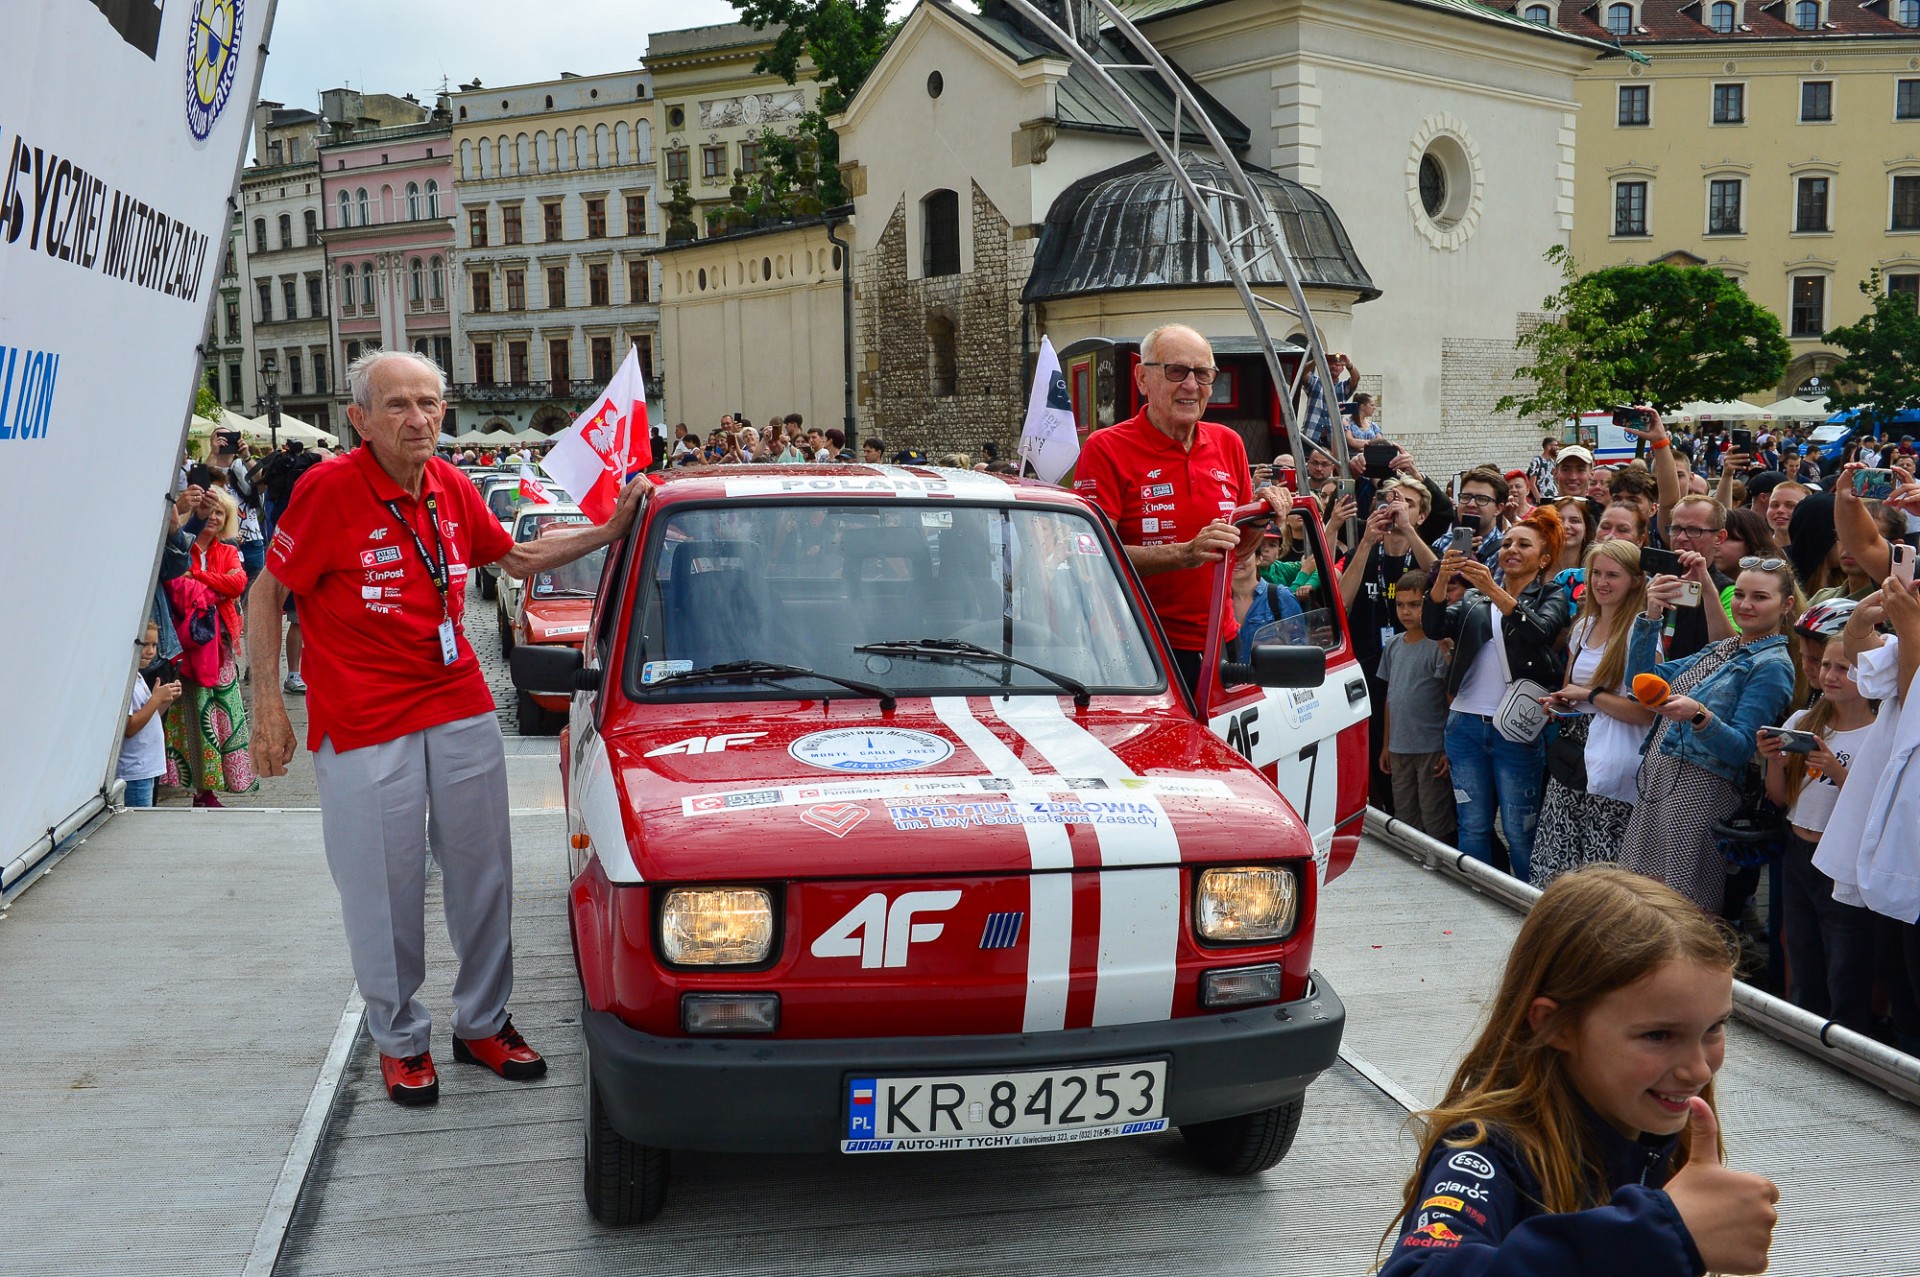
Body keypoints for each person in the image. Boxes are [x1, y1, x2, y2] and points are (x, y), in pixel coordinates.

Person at [247, 350, 646, 1108]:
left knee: (483, 873)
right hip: (364, 719)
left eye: (429, 403)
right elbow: (267, 596)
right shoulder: (328, 490)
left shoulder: (451, 483)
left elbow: (518, 554)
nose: (418, 418)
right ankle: (400, 1038)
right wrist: (267, 706)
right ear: (358, 419)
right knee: (384, 887)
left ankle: (483, 1023)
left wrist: (610, 528)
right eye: (397, 404)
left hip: (457, 699)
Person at [1380, 868, 1778, 1276]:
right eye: (1659, 1035)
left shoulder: (1656, 1132)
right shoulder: (1486, 1153)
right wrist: (1660, 1235)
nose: (1698, 1068)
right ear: (1558, 1026)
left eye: (1714, 1027)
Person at [1073, 324, 1289, 695]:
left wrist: (1264, 516)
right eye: (1176, 371)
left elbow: (1237, 551)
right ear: (1143, 378)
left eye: (1203, 374)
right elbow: (1088, 554)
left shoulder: (1228, 442)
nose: (1191, 385)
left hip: (1220, 641)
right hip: (1138, 649)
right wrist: (1183, 553)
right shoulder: (1106, 447)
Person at [1619, 558, 1800, 915]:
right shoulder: (1725, 648)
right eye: (1742, 595)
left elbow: (1742, 749)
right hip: (1660, 781)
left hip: (1701, 792)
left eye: (1760, 597)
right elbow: (1641, 680)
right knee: (1640, 898)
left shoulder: (1773, 666)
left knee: (1683, 907)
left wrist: (1700, 715)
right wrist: (1651, 617)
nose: (1746, 605)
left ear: (1786, 605)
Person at [1425, 505, 1572, 882]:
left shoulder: (1551, 594)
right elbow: (1434, 624)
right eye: (1507, 543)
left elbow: (1539, 631)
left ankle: (1527, 905)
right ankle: (1478, 896)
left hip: (1517, 728)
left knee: (1520, 829)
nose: (1511, 549)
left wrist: (1492, 587)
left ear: (1543, 559)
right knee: (1471, 824)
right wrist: (1442, 579)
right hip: (1465, 725)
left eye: (1524, 544)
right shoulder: (1474, 600)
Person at [1759, 643, 1877, 1034]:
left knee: (1845, 962)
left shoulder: (1878, 734)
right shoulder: (1803, 720)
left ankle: (1849, 1046)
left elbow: (1874, 811)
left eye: (1844, 668)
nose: (1829, 675)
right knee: (1802, 952)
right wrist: (1775, 761)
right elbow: (1780, 798)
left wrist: (1838, 772)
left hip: (1841, 856)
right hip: (1797, 850)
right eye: (1826, 664)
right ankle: (1804, 1040)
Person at [1534, 541, 1655, 887]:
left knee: (1601, 870)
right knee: (1559, 860)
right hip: (1572, 757)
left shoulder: (1641, 633)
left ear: (1634, 580)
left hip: (1613, 761)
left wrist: (1589, 695)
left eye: (1613, 575)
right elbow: (1572, 688)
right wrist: (1560, 702)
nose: (1602, 582)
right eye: (1597, 573)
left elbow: (1646, 713)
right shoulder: (1584, 626)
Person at [1341, 478, 1439, 810]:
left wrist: (1409, 532)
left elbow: (1443, 579)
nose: (1398, 509)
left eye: (1408, 504)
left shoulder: (1426, 553)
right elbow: (1341, 600)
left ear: (1422, 515)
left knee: (1413, 771)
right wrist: (1367, 541)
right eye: (1392, 501)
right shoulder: (1364, 552)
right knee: (1374, 763)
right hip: (1370, 673)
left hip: (1415, 679)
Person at [163, 488, 256, 807]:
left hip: (221, 646)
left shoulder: (227, 550)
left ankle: (211, 788)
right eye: (210, 511)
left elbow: (238, 584)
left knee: (221, 715)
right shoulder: (181, 548)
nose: (214, 517)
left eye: (220, 513)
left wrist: (199, 577)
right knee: (190, 714)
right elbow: (175, 587)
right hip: (186, 643)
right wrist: (214, 587)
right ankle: (193, 787)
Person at [1377, 570, 1454, 843]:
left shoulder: (1437, 645)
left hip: (1431, 748)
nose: (1406, 612)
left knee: (1435, 818)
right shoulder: (1394, 645)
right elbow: (1390, 699)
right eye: (1400, 605)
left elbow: (1449, 700)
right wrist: (1387, 744)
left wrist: (1448, 747)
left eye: (1414, 604)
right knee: (1405, 817)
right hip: (1399, 749)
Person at [119, 622, 181, 808]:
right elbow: (129, 728)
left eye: (154, 645)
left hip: (147, 768)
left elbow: (149, 719)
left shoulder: (138, 678)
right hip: (135, 771)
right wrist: (155, 700)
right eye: (145, 644)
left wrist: (164, 700)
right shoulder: (126, 683)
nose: (150, 651)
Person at [1526, 435, 1561, 503]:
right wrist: (1539, 499)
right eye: (1555, 445)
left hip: (1553, 497)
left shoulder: (1552, 461)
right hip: (1543, 497)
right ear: (1548, 447)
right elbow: (1532, 483)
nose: (1557, 448)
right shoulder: (1537, 460)